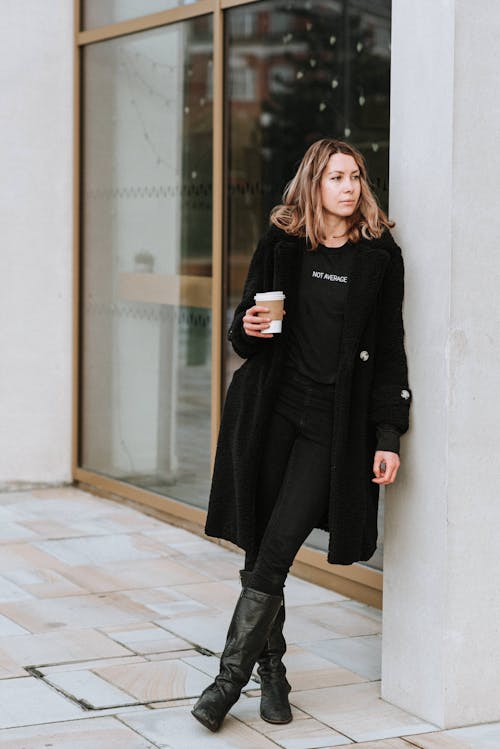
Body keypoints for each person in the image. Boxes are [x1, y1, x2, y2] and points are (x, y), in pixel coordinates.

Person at [191, 138, 412, 732]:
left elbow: (389, 350)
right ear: (313, 183)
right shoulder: (283, 244)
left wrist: (387, 433)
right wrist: (251, 326)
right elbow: (244, 333)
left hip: (330, 429)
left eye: (357, 176)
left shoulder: (379, 257)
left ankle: (225, 683)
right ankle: (275, 673)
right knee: (259, 545)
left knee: (280, 548)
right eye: (337, 176)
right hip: (269, 416)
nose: (350, 186)